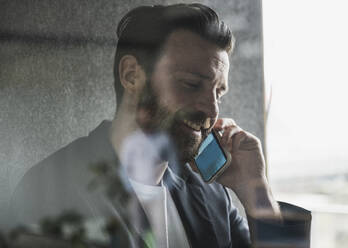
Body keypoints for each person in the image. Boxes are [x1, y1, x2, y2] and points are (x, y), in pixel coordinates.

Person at [11, 3, 311, 248]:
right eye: (191, 84)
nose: (212, 107)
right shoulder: (49, 190)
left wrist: (255, 190)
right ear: (131, 76)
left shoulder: (212, 196)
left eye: (218, 92)